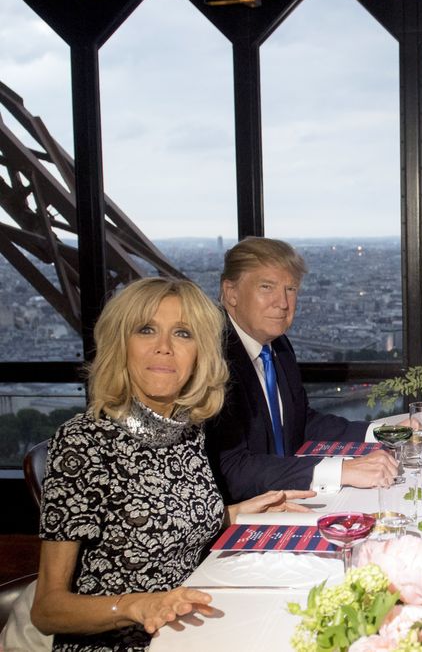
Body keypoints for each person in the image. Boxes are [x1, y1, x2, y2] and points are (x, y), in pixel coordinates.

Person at [30, 278, 315, 650]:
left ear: (200, 353)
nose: (164, 347)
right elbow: (47, 609)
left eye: (182, 333)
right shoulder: (83, 442)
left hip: (190, 629)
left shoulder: (188, 429)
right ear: (120, 344)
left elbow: (166, 523)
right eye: (146, 330)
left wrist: (237, 513)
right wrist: (138, 606)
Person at [205, 237, 397, 503]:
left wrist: (381, 431)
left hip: (284, 496)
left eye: (290, 289)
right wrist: (341, 471)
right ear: (231, 293)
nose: (283, 303)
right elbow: (233, 472)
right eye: (266, 287)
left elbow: (300, 423)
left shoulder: (278, 346)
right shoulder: (212, 358)